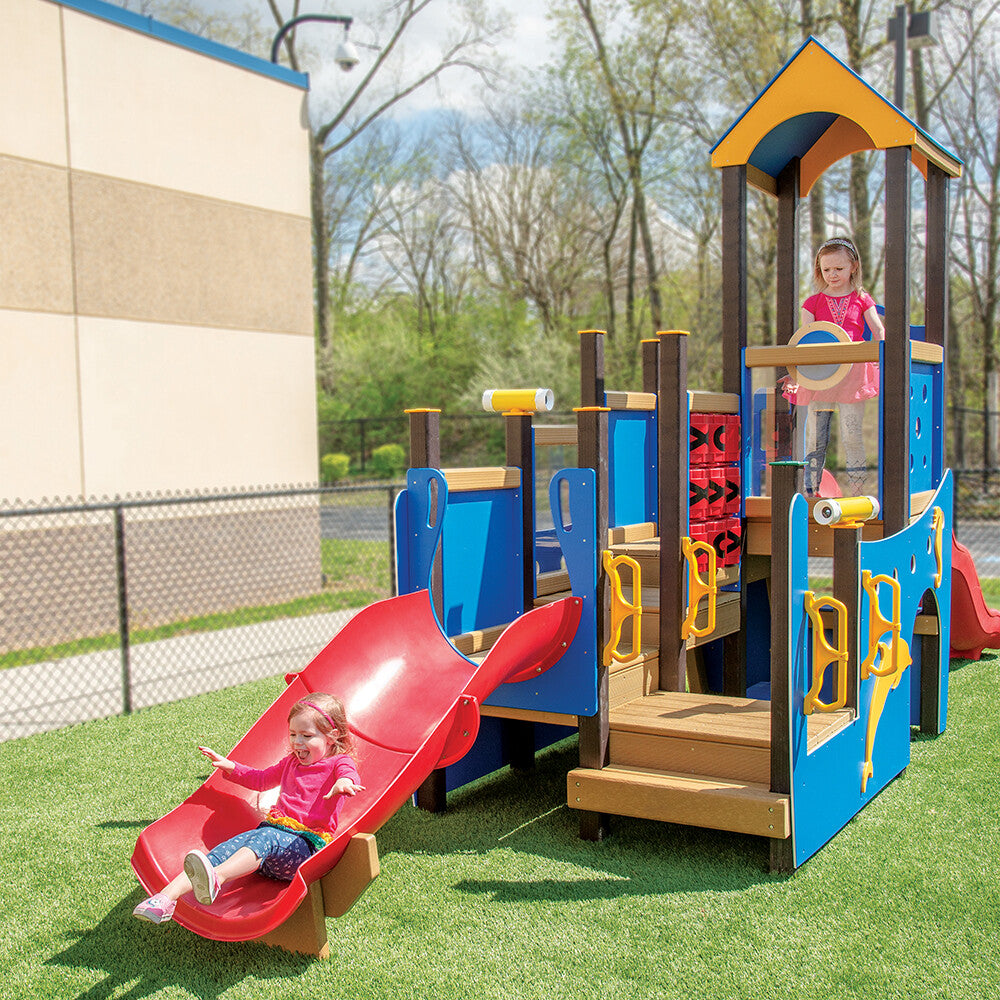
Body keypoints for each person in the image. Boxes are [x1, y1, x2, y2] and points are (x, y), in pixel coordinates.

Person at [133, 692, 363, 924]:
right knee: (224, 850)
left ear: (332, 737)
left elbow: (348, 773)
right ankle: (163, 900)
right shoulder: (291, 762)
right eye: (293, 734)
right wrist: (230, 766)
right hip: (266, 850)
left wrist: (344, 783)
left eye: (306, 735)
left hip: (304, 850)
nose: (297, 742)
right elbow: (261, 779)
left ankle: (217, 878)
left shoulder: (338, 763)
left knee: (266, 837)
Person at [786, 236, 885, 495]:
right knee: (816, 438)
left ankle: (857, 492)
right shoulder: (813, 302)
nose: (832, 274)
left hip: (852, 376)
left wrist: (877, 357)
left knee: (852, 436)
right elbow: (805, 338)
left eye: (838, 269)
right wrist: (797, 372)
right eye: (826, 269)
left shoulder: (862, 298)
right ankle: (810, 492)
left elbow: (878, 330)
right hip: (821, 377)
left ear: (853, 266)